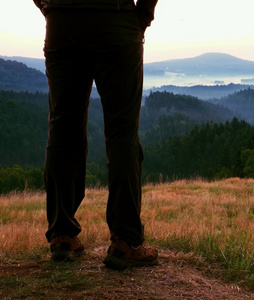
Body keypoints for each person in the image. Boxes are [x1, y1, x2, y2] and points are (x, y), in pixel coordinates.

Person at [33, 0, 158, 269]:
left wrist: (50, 8)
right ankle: (125, 242)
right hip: (117, 20)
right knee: (122, 134)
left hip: (63, 22)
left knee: (63, 129)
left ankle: (61, 236)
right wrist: (143, 15)